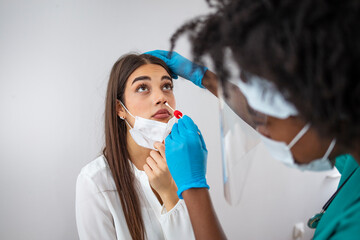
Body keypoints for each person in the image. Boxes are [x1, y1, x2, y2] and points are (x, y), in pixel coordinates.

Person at [146, 0, 360, 239]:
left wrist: (192, 188)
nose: (262, 129)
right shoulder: (347, 139)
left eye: (267, 117)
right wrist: (205, 78)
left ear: (320, 108)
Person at [75, 53, 195, 240]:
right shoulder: (95, 181)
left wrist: (171, 195)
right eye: (142, 88)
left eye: (166, 86)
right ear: (119, 109)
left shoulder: (188, 166)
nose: (161, 97)